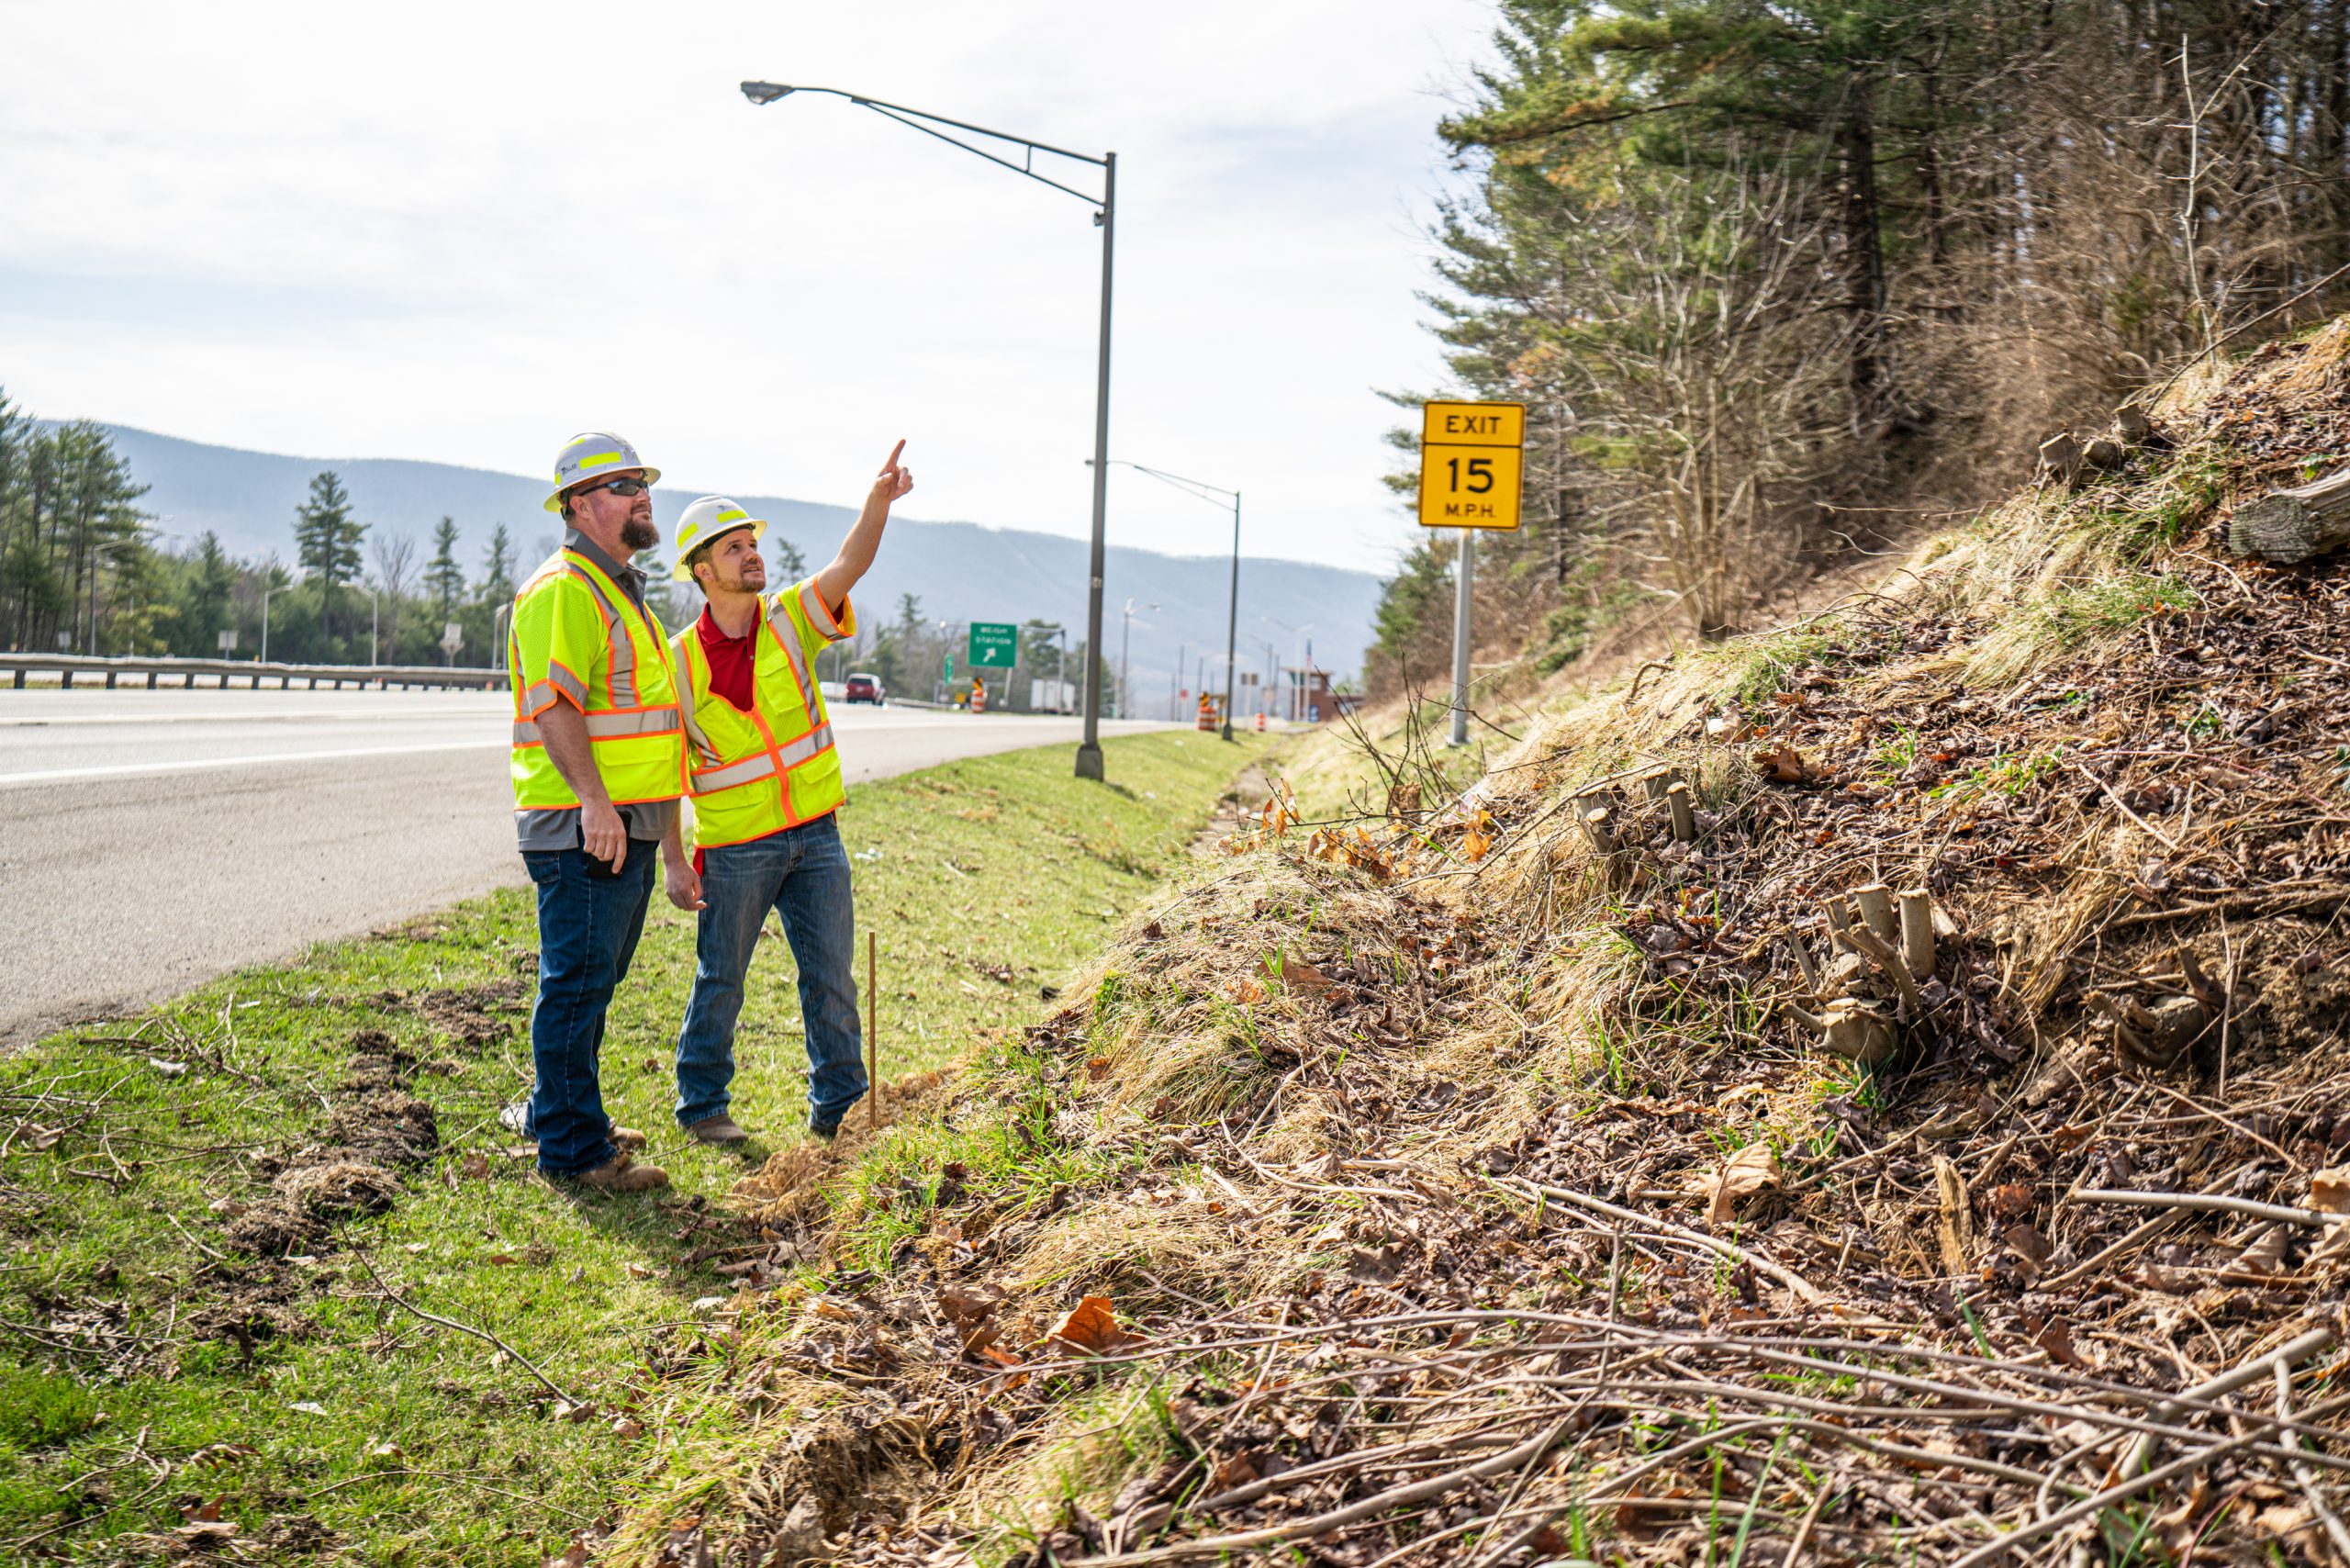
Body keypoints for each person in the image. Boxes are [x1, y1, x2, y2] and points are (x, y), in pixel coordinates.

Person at [661, 442, 912, 1141]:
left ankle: (841, 1110)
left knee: (832, 979)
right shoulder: (675, 663)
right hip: (735, 848)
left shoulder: (789, 617)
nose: (752, 555)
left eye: (753, 544)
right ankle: (703, 1106)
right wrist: (674, 860)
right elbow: (663, 773)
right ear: (702, 570)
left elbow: (849, 564)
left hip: (816, 836)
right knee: (721, 980)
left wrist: (877, 503)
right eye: (734, 548)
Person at [504, 431, 694, 1193]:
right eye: (622, 486)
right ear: (580, 506)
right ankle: (574, 1152)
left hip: (624, 826)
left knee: (593, 984)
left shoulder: (618, 590)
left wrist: (667, 842)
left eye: (643, 484)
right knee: (577, 986)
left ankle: (567, 1115)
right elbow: (553, 704)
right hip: (584, 827)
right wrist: (594, 802)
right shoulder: (566, 589)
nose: (641, 496)